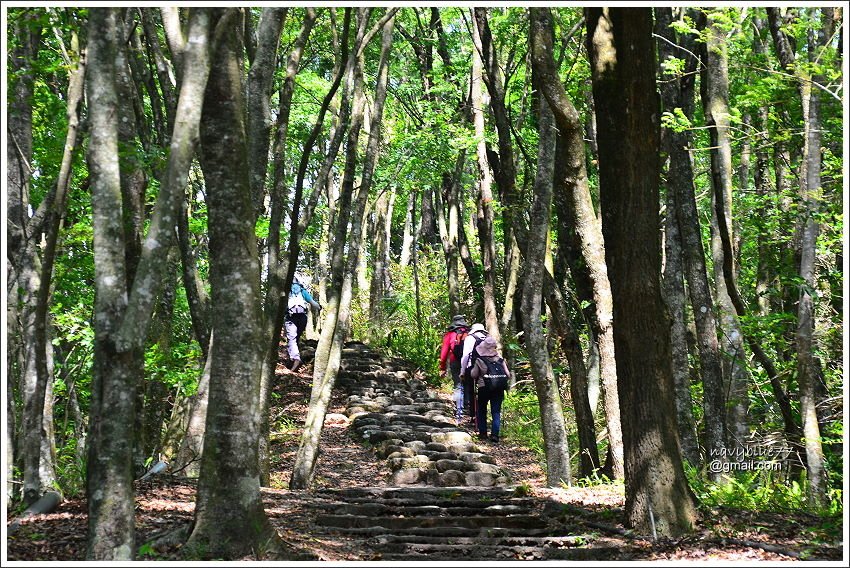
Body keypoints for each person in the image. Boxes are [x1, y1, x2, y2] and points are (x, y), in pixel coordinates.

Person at [469, 336, 510, 443]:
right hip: (498, 388)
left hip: (484, 388)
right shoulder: (501, 360)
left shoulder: (480, 360)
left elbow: (473, 375)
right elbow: (508, 375)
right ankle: (495, 435)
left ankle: (483, 433)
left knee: (481, 409)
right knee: (496, 411)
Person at [285, 273, 321, 372]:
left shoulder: (286, 290)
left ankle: (296, 358)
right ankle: (292, 358)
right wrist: (319, 307)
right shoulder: (302, 291)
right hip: (302, 318)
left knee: (291, 338)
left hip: (291, 317)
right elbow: (313, 303)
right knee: (295, 338)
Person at [439, 314, 469, 423]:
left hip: (455, 362)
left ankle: (459, 410)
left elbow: (444, 353)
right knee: (468, 384)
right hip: (469, 363)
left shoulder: (450, 335)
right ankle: (468, 407)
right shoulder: (469, 333)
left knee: (458, 384)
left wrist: (442, 368)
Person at [459, 322, 489, 424]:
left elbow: (465, 356)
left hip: (472, 368)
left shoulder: (470, 338)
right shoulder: (487, 338)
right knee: (483, 391)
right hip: (487, 368)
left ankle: (473, 416)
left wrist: (462, 371)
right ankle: (483, 415)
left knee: (472, 392)